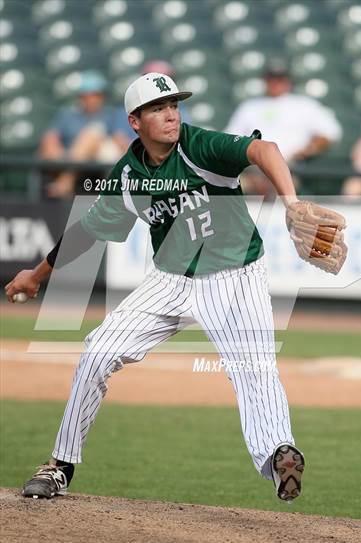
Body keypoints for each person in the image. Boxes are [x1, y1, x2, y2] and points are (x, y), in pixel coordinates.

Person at [5, 72, 305, 503]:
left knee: (254, 369)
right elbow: (88, 231)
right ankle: (60, 465)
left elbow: (265, 150)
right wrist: (36, 275)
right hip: (169, 281)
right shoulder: (129, 175)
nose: (170, 114)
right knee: (97, 351)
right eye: (158, 108)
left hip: (234, 276)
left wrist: (291, 202)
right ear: (135, 121)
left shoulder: (200, 146)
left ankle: (279, 456)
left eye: (174, 105)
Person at [225, 59, 342, 198]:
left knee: (282, 187)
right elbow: (230, 138)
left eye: (280, 79)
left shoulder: (304, 105)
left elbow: (330, 133)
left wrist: (308, 150)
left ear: (288, 81)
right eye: (271, 78)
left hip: (291, 167)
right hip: (252, 169)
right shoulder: (249, 107)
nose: (275, 83)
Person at [39, 70, 128, 198]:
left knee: (92, 134)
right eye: (87, 95)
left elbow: (120, 140)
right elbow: (50, 137)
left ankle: (66, 182)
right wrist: (57, 151)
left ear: (102, 97)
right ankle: (67, 180)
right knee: (47, 146)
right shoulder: (68, 114)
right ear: (80, 97)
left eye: (95, 95)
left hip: (102, 155)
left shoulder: (110, 115)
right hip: (72, 157)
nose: (91, 99)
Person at [111, 60, 191, 151]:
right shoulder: (129, 106)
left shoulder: (180, 107)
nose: (159, 84)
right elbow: (119, 137)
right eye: (152, 79)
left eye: (164, 79)